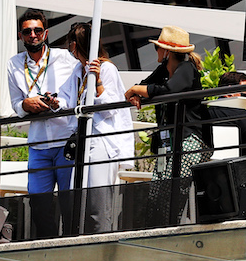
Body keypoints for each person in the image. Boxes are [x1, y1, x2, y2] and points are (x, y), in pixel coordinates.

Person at [125, 26, 213, 226]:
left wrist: (135, 89)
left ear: (166, 52)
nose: (155, 52)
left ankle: (166, 230)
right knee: (158, 192)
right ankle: (158, 229)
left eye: (157, 48)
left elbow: (167, 91)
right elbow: (147, 85)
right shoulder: (164, 69)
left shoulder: (186, 69)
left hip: (188, 140)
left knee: (172, 192)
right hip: (169, 143)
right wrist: (138, 91)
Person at [7, 9, 80, 238]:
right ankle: (47, 246)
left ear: (46, 33)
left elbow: (80, 91)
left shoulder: (65, 59)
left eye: (38, 30)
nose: (33, 35)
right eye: (27, 31)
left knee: (70, 201)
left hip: (66, 139)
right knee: (39, 204)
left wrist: (58, 102)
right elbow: (16, 104)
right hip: (38, 144)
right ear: (21, 36)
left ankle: (72, 245)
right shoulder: (14, 64)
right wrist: (26, 105)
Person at [66, 22, 132, 234]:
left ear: (75, 46)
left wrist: (99, 83)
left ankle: (102, 243)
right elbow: (69, 100)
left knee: (98, 202)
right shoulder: (79, 71)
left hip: (102, 141)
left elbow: (112, 110)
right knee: (83, 200)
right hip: (85, 140)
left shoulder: (106, 69)